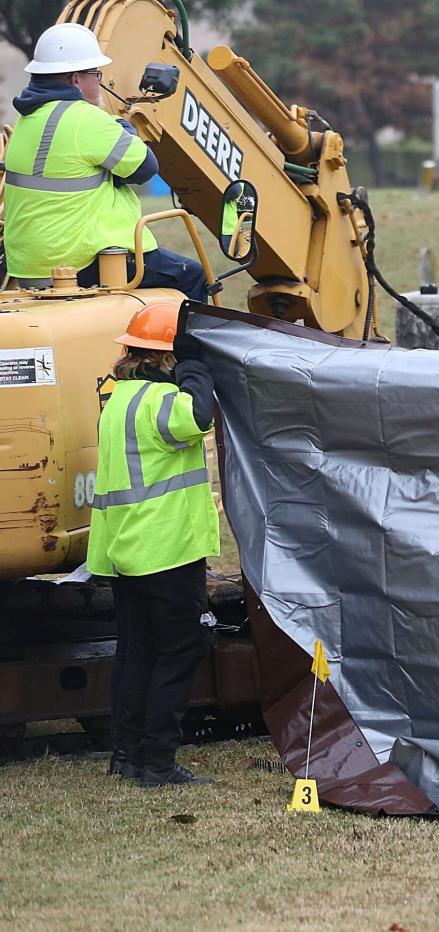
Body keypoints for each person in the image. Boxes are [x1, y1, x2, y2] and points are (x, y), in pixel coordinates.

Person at [88, 299, 219, 787]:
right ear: (165, 359)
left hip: (126, 550)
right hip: (165, 549)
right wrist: (198, 368)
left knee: (137, 652)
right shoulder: (161, 401)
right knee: (184, 646)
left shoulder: (118, 399)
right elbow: (199, 416)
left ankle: (127, 756)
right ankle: (158, 762)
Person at [5, 23, 207, 302]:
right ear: (76, 79)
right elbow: (145, 167)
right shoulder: (86, 119)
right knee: (191, 275)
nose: (99, 81)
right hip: (80, 261)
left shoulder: (27, 121)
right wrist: (123, 125)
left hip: (30, 264)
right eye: (96, 74)